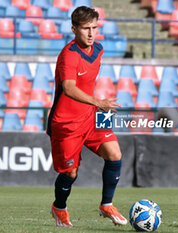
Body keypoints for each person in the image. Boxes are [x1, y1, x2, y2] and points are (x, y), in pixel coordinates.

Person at [46, 6, 127, 227]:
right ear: (74, 29)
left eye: (94, 28)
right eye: (85, 29)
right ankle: (59, 208)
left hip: (90, 117)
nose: (91, 33)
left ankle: (106, 204)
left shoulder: (98, 49)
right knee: (70, 174)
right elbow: (70, 89)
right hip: (66, 123)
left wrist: (96, 106)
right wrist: (100, 102)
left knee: (114, 154)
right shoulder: (68, 55)